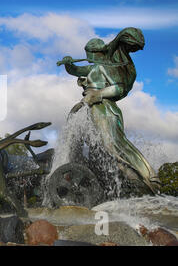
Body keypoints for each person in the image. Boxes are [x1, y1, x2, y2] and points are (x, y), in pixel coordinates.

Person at [57, 27, 160, 194]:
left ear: (95, 53)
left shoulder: (105, 67)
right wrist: (69, 63)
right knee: (94, 148)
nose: (88, 58)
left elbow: (118, 89)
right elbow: (75, 70)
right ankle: (118, 181)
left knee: (111, 146)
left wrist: (97, 94)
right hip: (91, 109)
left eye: (89, 53)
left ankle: (146, 177)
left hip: (104, 109)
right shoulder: (94, 68)